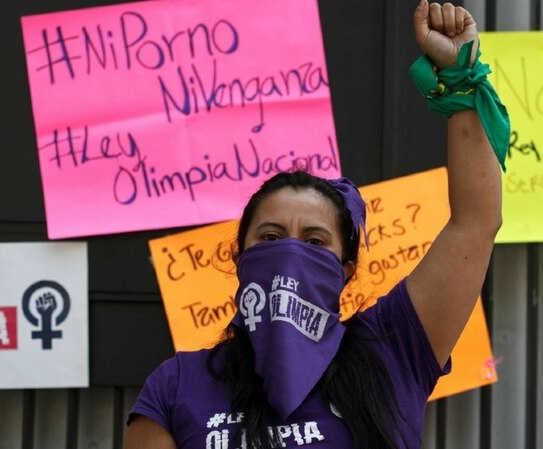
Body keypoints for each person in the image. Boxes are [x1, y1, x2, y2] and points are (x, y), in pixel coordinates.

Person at [125, 2, 504, 448]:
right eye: (270, 238)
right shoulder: (175, 385)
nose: (290, 253)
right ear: (240, 258)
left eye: (315, 241)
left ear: (345, 270)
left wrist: (460, 75)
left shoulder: (394, 349)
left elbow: (476, 222)